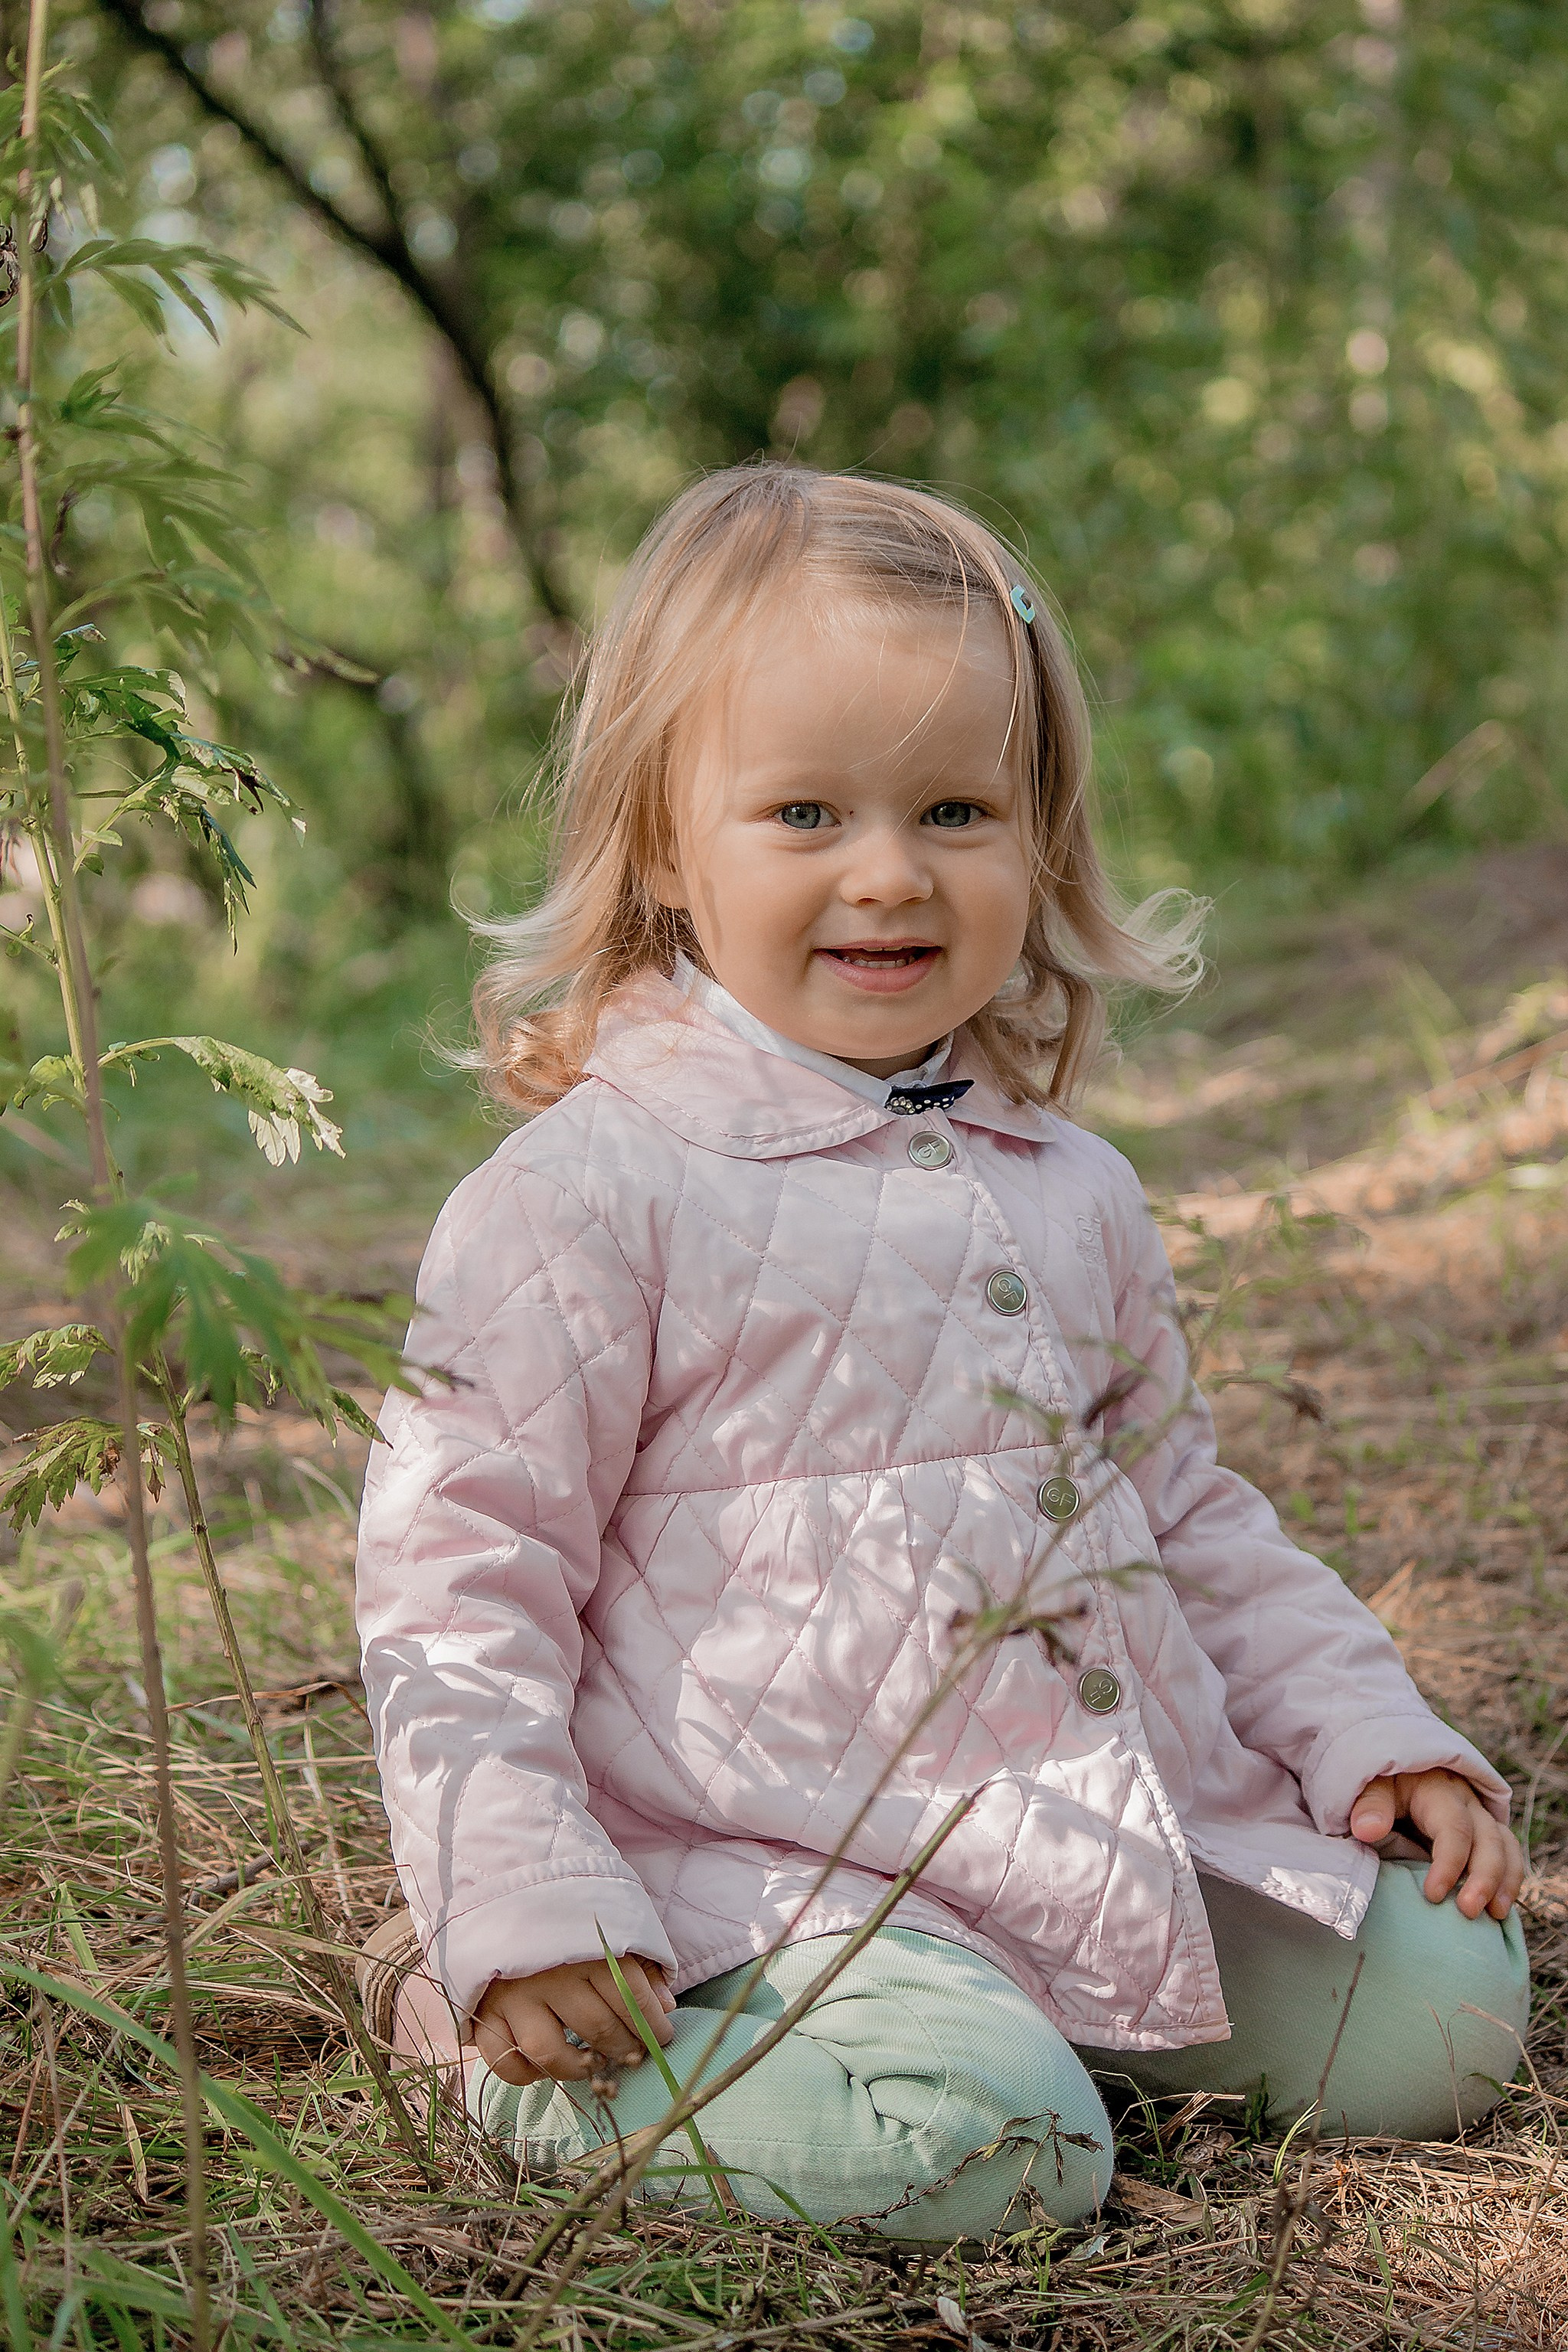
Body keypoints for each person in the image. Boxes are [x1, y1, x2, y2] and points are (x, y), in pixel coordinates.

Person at [354, 466, 1527, 2241]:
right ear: (669, 842)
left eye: (958, 808)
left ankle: (1052, 2013)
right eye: (806, 810)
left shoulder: (1068, 1187)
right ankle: (510, 2050)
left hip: (1085, 1826)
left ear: (1039, 835)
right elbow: (458, 1583)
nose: (889, 874)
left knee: (1445, 2010)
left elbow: (1187, 1510)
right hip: (769, 1873)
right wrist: (513, 1897)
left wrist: (1366, 1730)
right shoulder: (587, 1193)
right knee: (992, 2156)